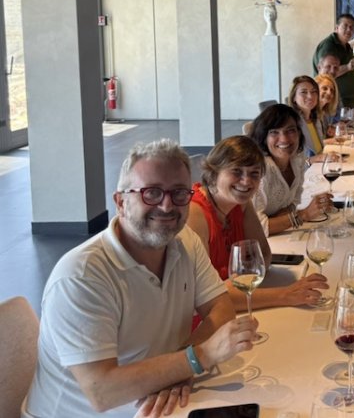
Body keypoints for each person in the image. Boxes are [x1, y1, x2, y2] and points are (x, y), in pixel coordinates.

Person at [23, 139, 257, 418]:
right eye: (151, 193)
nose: (167, 206)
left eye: (179, 193)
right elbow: (102, 391)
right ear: (121, 202)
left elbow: (222, 308)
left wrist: (178, 367)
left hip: (159, 403)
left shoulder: (185, 241)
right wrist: (197, 358)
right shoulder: (81, 276)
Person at [186, 136, 329, 310]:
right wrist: (286, 295)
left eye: (254, 173)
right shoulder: (194, 213)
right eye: (236, 172)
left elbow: (263, 257)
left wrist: (234, 287)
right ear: (214, 173)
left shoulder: (241, 204)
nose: (246, 181)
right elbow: (204, 295)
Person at [249, 104, 334, 236]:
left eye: (290, 130)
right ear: (264, 137)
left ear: (299, 133)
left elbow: (294, 201)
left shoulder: (296, 159)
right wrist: (303, 215)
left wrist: (279, 217)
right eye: (274, 132)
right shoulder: (260, 172)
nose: (284, 139)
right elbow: (256, 227)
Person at [312, 14, 354, 109]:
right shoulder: (329, 46)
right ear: (336, 28)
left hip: (349, 103)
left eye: (351, 27)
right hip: (334, 102)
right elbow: (325, 74)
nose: (349, 30)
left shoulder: (347, 46)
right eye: (345, 26)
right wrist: (348, 67)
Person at [289, 75, 325, 160]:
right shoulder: (292, 123)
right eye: (304, 92)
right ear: (294, 97)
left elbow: (319, 151)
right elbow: (290, 162)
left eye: (313, 91)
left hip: (319, 166)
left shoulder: (315, 119)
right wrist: (315, 160)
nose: (310, 96)